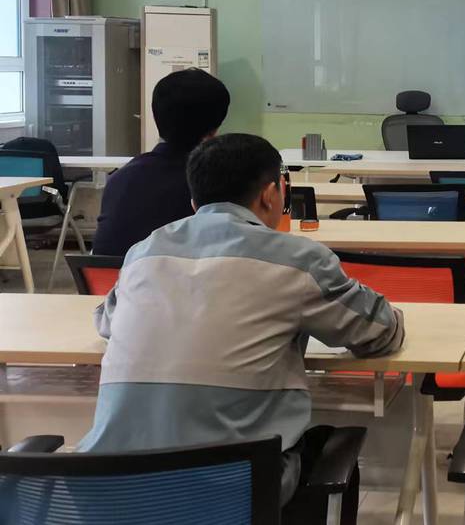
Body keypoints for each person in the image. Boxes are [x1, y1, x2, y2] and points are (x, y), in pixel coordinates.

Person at [78, 133, 405, 504]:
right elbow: (379, 330)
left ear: (194, 201)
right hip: (231, 491)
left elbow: (107, 323)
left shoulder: (144, 252)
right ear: (271, 194)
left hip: (108, 489)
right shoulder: (297, 259)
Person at [92, 68, 230, 256]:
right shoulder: (211, 183)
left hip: (111, 275)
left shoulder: (120, 178)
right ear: (214, 130)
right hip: (173, 274)